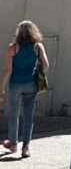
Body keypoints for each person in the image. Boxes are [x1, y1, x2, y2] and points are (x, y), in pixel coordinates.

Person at [2, 20, 50, 159]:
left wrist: (1, 88)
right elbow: (46, 65)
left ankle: (12, 143)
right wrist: (38, 72)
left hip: (15, 84)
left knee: (13, 114)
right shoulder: (37, 46)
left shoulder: (13, 47)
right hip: (31, 84)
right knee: (28, 115)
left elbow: (7, 70)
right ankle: (26, 147)